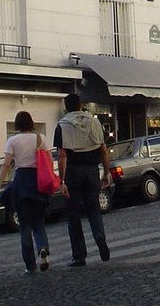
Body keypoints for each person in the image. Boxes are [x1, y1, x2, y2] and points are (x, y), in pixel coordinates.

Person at [54, 93, 112, 267]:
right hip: (91, 170)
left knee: (73, 213)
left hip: (72, 171)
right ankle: (99, 236)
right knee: (93, 208)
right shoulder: (94, 121)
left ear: (66, 107)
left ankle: (79, 255)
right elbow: (103, 149)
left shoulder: (62, 125)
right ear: (81, 105)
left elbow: (62, 154)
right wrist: (106, 172)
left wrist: (62, 180)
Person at [0, 111, 52, 274]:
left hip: (21, 183)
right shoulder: (40, 138)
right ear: (31, 123)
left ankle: (30, 266)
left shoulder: (12, 140)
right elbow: (48, 160)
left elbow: (6, 165)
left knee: (25, 227)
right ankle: (43, 249)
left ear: (17, 125)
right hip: (38, 182)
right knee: (39, 224)